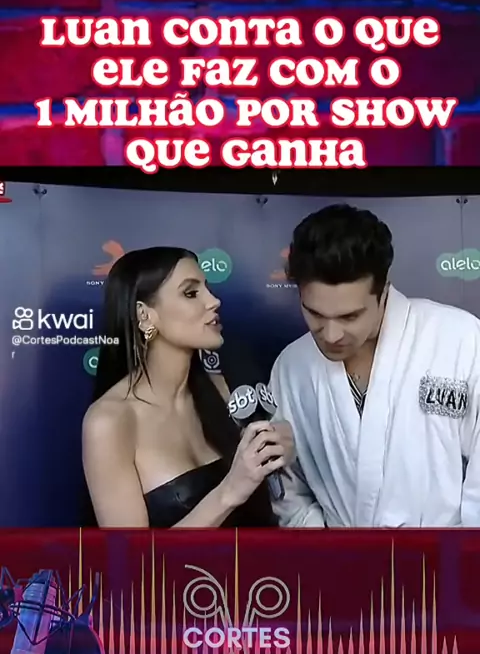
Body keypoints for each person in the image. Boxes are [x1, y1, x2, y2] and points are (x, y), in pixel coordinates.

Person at [269, 204, 480, 528]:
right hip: (339, 554)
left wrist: (462, 552)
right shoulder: (292, 367)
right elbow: (286, 487)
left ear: (383, 291)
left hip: (446, 553)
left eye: (350, 316)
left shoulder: (460, 339)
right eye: (315, 314)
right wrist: (323, 542)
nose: (331, 334)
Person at [82, 247, 294, 528]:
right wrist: (229, 491)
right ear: (144, 315)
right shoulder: (110, 422)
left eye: (207, 288)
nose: (214, 301)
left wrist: (282, 457)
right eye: (191, 293)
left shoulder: (226, 391)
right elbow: (130, 553)